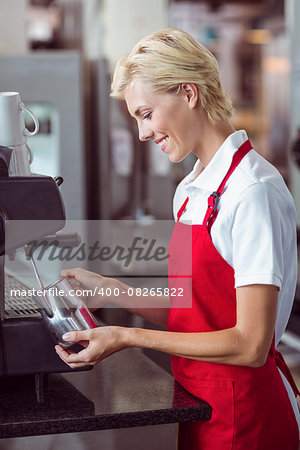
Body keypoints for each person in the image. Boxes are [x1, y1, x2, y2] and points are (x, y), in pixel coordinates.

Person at [55, 28, 300, 449]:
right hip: (200, 403)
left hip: (247, 415)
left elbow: (250, 344)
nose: (142, 134)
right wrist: (113, 290)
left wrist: (127, 335)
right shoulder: (191, 189)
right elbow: (191, 310)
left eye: (146, 114)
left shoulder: (252, 191)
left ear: (188, 93)